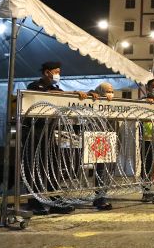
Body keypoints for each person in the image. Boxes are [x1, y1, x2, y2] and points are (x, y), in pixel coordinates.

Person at [25, 61, 90, 215]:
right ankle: (34, 201)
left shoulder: (56, 89)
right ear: (47, 72)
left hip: (49, 132)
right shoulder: (35, 86)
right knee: (35, 166)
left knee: (52, 166)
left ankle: (54, 200)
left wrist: (85, 95)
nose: (58, 75)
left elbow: (63, 97)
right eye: (56, 72)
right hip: (34, 132)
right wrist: (72, 92)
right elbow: (48, 95)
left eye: (59, 72)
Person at [89, 82, 114, 210]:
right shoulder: (93, 99)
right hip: (98, 138)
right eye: (108, 91)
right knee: (102, 169)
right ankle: (100, 199)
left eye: (112, 91)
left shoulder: (111, 104)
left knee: (107, 169)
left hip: (109, 137)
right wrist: (91, 94)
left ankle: (100, 197)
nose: (111, 94)